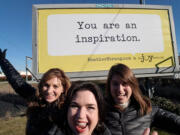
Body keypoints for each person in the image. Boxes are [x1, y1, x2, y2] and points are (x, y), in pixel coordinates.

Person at [0, 49, 71, 135]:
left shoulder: (68, 108)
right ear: (41, 85)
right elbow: (17, 82)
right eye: (46, 85)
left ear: (63, 88)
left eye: (55, 86)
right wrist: (3, 61)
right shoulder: (36, 98)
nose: (49, 91)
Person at [105, 63, 180, 135]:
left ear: (132, 86)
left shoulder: (145, 109)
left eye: (125, 83)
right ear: (109, 86)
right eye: (115, 84)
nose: (120, 89)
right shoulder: (100, 110)